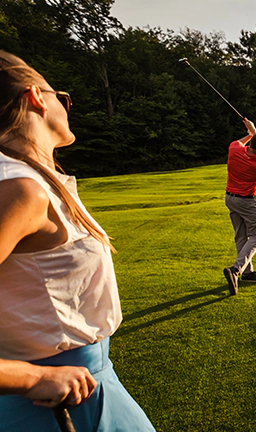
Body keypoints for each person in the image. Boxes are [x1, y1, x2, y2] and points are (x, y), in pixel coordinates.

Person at [0, 51, 154, 430]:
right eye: (63, 98)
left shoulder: (28, 181)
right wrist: (29, 377)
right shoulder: (20, 190)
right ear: (36, 97)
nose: (67, 107)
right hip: (57, 401)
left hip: (90, 382)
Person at [223, 118, 256, 295]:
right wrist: (253, 130)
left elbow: (245, 142)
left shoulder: (234, 149)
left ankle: (248, 272)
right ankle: (236, 270)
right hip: (247, 201)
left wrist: (251, 132)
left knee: (241, 236)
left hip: (230, 198)